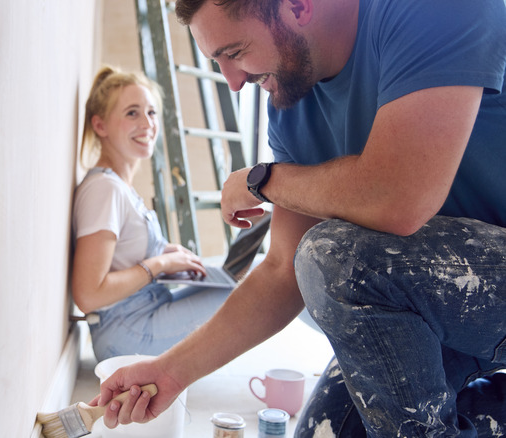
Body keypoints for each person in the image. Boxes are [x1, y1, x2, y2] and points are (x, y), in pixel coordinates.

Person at [94, 0, 506, 436]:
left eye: (234, 52)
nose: (233, 82)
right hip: (442, 305)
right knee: (325, 430)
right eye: (217, 61)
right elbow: (281, 270)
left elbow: (399, 198)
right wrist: (169, 372)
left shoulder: (435, 10)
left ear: (297, 5)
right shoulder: (290, 105)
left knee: (336, 258)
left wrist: (265, 180)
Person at [72, 66, 236, 362]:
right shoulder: (104, 190)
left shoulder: (119, 186)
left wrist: (166, 252)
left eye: (151, 112)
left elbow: (121, 256)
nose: (147, 123)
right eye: (132, 113)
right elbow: (88, 295)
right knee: (251, 293)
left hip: (144, 313)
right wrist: (159, 264)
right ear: (100, 126)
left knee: (242, 276)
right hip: (125, 333)